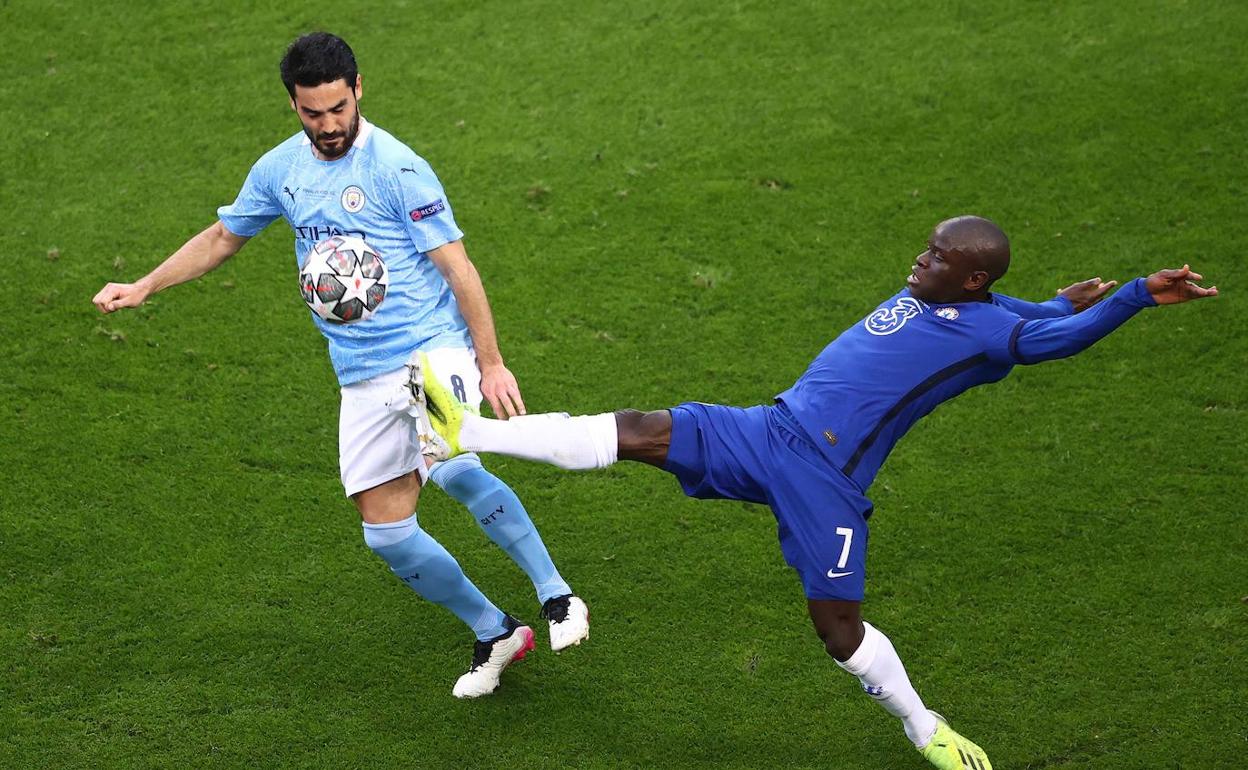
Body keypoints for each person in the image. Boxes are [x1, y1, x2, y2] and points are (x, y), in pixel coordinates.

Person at [415, 215, 1217, 768]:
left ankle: (923, 725)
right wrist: (1050, 301)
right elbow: (1026, 313)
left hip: (824, 482)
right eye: (925, 248)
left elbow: (1049, 340)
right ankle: (468, 434)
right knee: (638, 428)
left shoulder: (987, 327)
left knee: (836, 630)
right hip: (770, 428)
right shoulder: (969, 300)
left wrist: (1134, 296)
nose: (919, 260)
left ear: (967, 277)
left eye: (936, 257)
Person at [91, 31, 589, 699]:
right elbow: (222, 237)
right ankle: (496, 630)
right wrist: (145, 285)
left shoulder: (397, 168)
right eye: (311, 113)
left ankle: (558, 595)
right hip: (360, 373)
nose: (327, 126)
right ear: (293, 105)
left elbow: (458, 268)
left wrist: (491, 363)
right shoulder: (280, 171)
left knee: (455, 462)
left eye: (337, 110)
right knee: (388, 536)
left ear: (358, 90)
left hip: (431, 347)